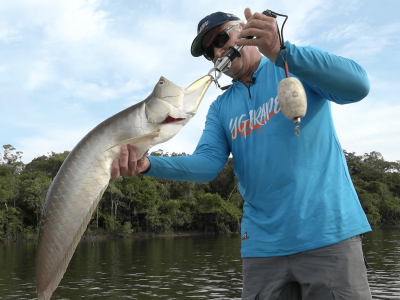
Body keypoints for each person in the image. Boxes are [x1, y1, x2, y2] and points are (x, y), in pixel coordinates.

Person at [112, 8, 373, 300]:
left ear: (244, 29)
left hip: (328, 235)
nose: (217, 52)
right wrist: (148, 164)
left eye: (221, 38)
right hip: (261, 249)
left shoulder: (292, 62)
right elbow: (207, 165)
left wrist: (281, 51)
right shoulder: (220, 108)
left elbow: (358, 86)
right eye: (209, 52)